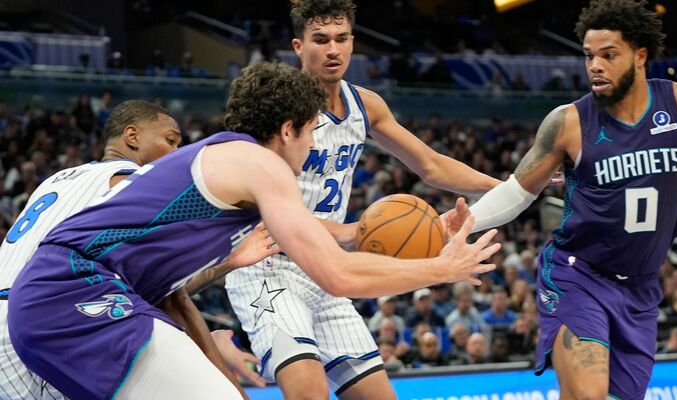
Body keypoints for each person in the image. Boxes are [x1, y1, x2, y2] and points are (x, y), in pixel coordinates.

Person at [7, 62, 499, 400]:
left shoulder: (233, 167)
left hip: (59, 304)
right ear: (288, 129)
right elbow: (339, 276)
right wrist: (439, 267)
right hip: (71, 290)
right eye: (310, 133)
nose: (311, 148)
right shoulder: (260, 166)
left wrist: (431, 236)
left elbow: (345, 240)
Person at [442, 0, 677, 397]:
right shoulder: (568, 121)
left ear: (640, 55)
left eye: (609, 55)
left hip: (640, 289)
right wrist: (466, 222)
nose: (595, 65)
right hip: (577, 275)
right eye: (589, 56)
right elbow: (518, 190)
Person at [225, 1, 501, 399]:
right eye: (320, 40)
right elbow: (260, 209)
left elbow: (433, 166)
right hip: (269, 263)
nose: (332, 50)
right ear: (298, 46)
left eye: (340, 39)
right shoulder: (277, 108)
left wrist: (511, 187)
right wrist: (353, 231)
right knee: (308, 389)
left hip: (326, 266)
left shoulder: (365, 105)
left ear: (353, 42)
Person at [0, 100, 182, 400]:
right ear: (132, 136)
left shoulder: (55, 180)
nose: (176, 153)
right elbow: (166, 284)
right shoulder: (130, 182)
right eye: (170, 141)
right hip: (32, 325)